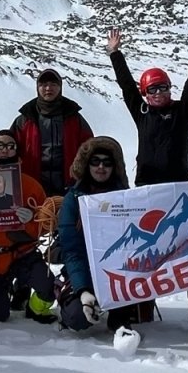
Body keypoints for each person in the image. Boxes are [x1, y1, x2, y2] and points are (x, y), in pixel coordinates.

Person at [108, 17, 188, 333]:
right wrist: (115, 55)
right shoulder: (141, 112)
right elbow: (124, 85)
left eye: (163, 87)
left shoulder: (182, 112)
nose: (159, 93)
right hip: (146, 190)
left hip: (179, 189)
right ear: (144, 93)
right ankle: (142, 310)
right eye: (153, 89)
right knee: (143, 252)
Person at [53, 136, 155, 331]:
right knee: (76, 318)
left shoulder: (126, 198)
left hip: (118, 273)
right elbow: (72, 249)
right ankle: (71, 298)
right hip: (83, 268)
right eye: (95, 161)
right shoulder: (72, 200)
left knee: (123, 320)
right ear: (86, 165)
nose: (101, 167)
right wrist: (83, 290)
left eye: (107, 162)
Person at [0, 129, 56, 323]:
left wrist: (32, 218)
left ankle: (35, 308)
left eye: (10, 146)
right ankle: (5, 292)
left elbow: (46, 223)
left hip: (22, 253)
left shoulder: (30, 184)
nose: (5, 150)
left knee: (48, 286)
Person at [15, 68, 94, 198]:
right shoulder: (25, 118)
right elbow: (12, 148)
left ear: (60, 87)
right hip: (33, 184)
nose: (48, 88)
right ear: (38, 88)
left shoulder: (73, 117)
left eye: (53, 84)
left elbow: (89, 147)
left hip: (69, 185)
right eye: (44, 84)